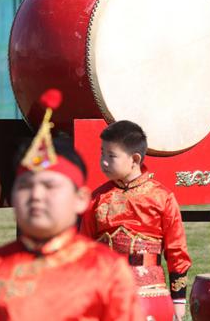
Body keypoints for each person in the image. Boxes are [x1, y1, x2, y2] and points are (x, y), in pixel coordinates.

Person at [0, 92, 144, 320]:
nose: (36, 195)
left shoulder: (107, 272)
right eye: (25, 186)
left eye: (50, 186)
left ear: (80, 199)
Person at [80, 120, 191, 320]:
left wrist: (178, 302)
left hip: (149, 292)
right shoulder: (97, 198)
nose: (103, 160)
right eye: (102, 153)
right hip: (105, 291)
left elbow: (177, 252)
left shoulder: (161, 197)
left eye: (111, 155)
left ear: (135, 159)